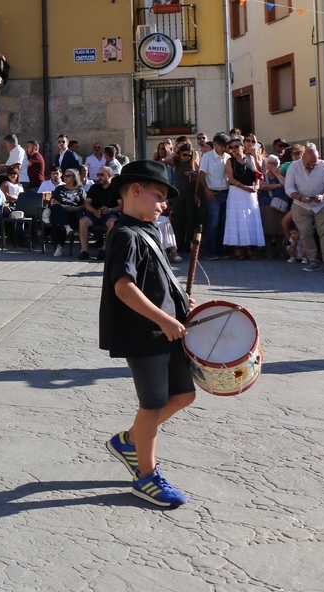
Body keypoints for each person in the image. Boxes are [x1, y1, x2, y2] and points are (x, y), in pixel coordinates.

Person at [101, 160, 196, 509]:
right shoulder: (124, 234)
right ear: (136, 191)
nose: (164, 204)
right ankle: (146, 476)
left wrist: (180, 301)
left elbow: (155, 281)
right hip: (144, 334)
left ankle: (130, 441)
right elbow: (124, 288)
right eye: (158, 196)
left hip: (166, 332)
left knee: (184, 394)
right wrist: (164, 319)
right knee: (152, 404)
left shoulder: (149, 231)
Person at [285, 142, 324, 274]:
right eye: (308, 164)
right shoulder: (293, 166)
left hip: (322, 204)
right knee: (305, 233)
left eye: (314, 164)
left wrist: (323, 196)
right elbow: (289, 187)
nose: (311, 167)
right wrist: (300, 197)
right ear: (303, 157)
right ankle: (313, 261)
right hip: (300, 204)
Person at [223, 138, 264, 260]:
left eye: (236, 147)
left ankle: (248, 247)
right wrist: (245, 188)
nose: (233, 149)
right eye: (231, 147)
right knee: (237, 220)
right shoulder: (230, 161)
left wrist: (256, 186)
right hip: (237, 193)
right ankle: (237, 247)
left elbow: (257, 174)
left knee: (248, 220)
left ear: (242, 147)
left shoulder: (250, 158)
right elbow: (231, 179)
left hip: (250, 194)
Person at [198, 133, 230, 260]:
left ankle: (220, 250)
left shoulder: (228, 157)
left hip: (226, 192)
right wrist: (206, 190)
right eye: (222, 146)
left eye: (225, 146)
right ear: (215, 144)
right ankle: (209, 251)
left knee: (223, 223)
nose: (224, 148)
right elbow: (201, 175)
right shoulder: (207, 157)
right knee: (213, 223)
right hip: (213, 194)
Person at [79, 167, 121, 260]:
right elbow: (87, 203)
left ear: (109, 175)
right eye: (98, 175)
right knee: (83, 221)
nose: (99, 177)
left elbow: (121, 206)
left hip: (109, 214)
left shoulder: (116, 188)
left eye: (101, 175)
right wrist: (93, 210)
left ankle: (104, 249)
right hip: (94, 213)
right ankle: (84, 250)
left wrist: (110, 210)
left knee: (113, 223)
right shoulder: (94, 187)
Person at [169, 142, 200, 252]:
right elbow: (167, 159)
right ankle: (179, 244)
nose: (187, 157)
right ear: (181, 153)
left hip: (190, 194)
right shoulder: (176, 163)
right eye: (185, 154)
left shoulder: (193, 163)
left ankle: (188, 244)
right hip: (179, 195)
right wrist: (177, 154)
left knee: (190, 220)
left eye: (189, 155)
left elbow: (199, 177)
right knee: (178, 220)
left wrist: (193, 174)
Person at [48, 168, 86, 257]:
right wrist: (63, 206)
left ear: (74, 177)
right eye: (65, 175)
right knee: (56, 208)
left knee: (60, 223)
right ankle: (66, 226)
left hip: (74, 214)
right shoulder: (59, 188)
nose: (65, 177)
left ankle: (59, 247)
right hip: (60, 211)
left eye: (68, 176)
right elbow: (53, 200)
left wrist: (75, 208)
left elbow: (85, 205)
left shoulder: (80, 190)